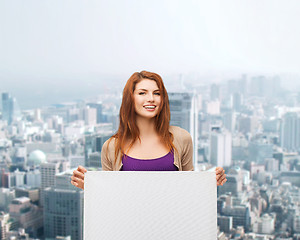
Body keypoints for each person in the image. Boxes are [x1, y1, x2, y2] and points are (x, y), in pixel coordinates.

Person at [71, 70, 227, 190]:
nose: (151, 98)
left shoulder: (181, 138)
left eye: (157, 93)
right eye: (142, 93)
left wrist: (209, 183)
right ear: (130, 99)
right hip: (129, 226)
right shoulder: (111, 146)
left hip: (172, 226)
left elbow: (189, 189)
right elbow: (111, 196)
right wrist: (90, 186)